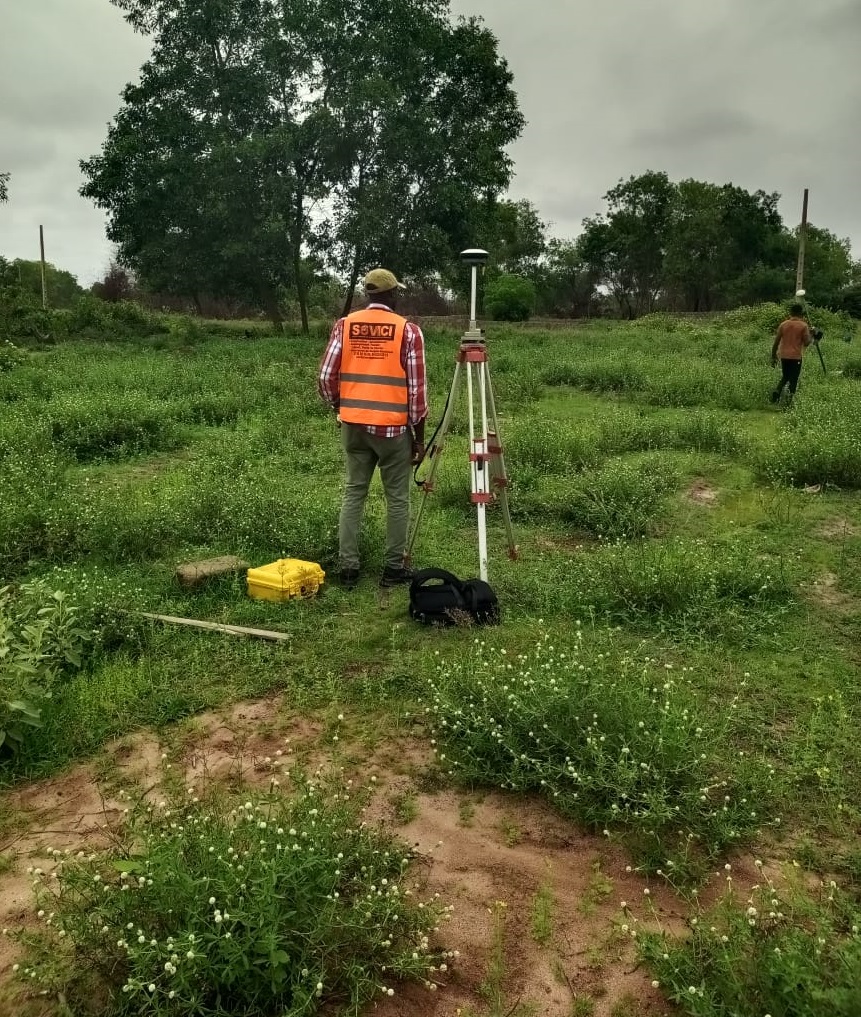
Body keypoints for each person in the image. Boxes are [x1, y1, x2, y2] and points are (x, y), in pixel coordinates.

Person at [318, 268, 428, 590]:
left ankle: (348, 568)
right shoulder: (408, 331)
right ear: (392, 295)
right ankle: (393, 569)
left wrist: (341, 406)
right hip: (393, 433)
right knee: (397, 499)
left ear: (369, 295)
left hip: (353, 427)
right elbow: (417, 394)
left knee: (354, 493)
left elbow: (326, 378)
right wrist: (418, 439)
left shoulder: (344, 325)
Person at [770, 303, 812, 405]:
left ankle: (777, 390)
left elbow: (776, 342)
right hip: (795, 357)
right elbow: (806, 342)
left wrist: (773, 356)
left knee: (785, 376)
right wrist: (812, 335)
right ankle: (789, 401)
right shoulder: (803, 325)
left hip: (784, 355)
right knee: (794, 378)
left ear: (791, 313)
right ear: (801, 313)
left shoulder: (783, 324)